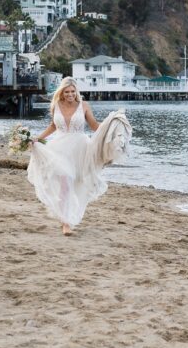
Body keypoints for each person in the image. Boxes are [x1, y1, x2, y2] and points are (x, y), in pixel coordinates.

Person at [27, 77, 132, 236]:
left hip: (80, 148)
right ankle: (65, 222)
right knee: (65, 180)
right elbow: (53, 126)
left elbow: (95, 126)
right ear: (62, 93)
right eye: (67, 92)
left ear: (76, 92)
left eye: (72, 92)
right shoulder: (56, 105)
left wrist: (110, 126)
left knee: (74, 183)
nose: (70, 94)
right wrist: (38, 139)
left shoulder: (83, 106)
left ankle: (67, 217)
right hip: (59, 147)